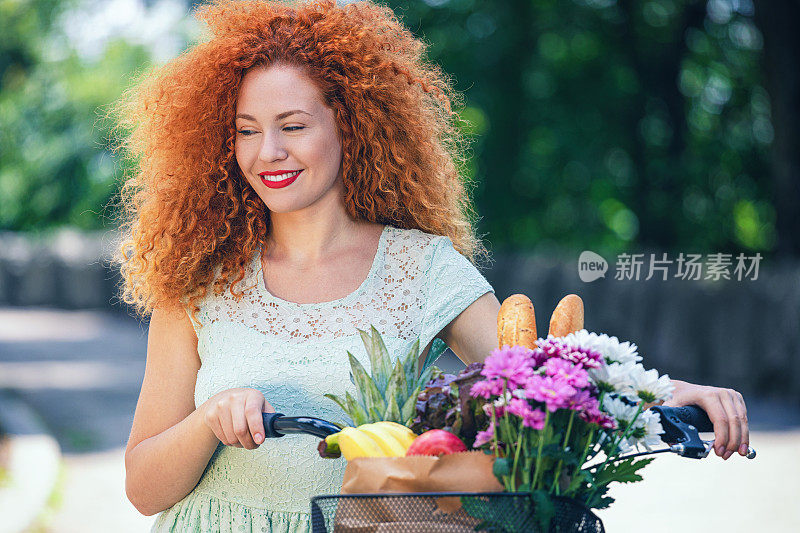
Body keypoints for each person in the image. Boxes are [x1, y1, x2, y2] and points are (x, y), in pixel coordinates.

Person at [115, 1, 750, 531]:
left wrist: (665, 394)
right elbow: (144, 488)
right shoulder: (197, 279)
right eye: (246, 130)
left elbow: (548, 376)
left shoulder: (421, 268)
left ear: (351, 126)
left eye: (293, 125)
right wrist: (207, 422)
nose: (268, 152)